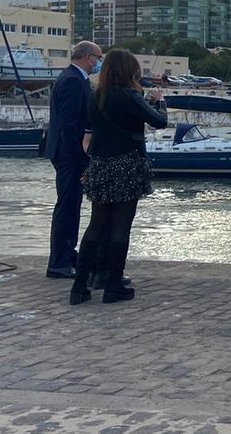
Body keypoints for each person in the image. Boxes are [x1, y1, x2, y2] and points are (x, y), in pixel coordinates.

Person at [69, 49, 168, 305]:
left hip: (100, 166)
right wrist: (160, 102)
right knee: (121, 226)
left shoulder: (95, 96)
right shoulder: (128, 95)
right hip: (126, 164)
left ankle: (80, 286)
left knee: (96, 225)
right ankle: (113, 284)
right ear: (128, 71)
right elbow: (159, 122)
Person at [44, 41, 101, 279]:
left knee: (71, 206)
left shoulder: (77, 79)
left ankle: (67, 254)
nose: (99, 62)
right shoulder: (71, 81)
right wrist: (79, 154)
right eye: (98, 57)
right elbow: (69, 124)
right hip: (69, 155)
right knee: (67, 207)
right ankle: (59, 261)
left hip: (70, 153)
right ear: (88, 57)